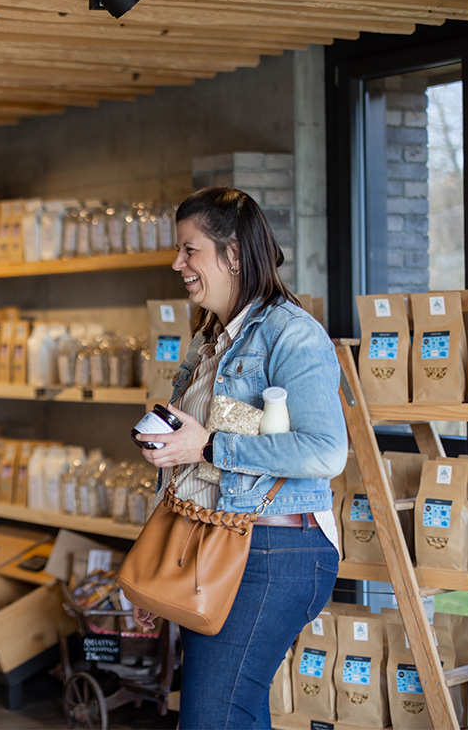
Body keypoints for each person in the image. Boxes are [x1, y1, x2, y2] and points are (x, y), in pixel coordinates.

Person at [131, 186, 348, 728]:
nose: (176, 262)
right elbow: (229, 441)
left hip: (273, 551)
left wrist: (205, 444)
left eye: (189, 249)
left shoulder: (292, 335)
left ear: (231, 254)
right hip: (215, 543)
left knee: (213, 717)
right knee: (231, 714)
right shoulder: (211, 340)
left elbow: (325, 450)